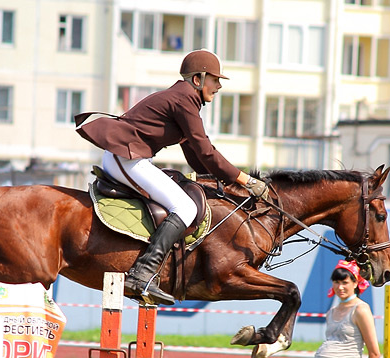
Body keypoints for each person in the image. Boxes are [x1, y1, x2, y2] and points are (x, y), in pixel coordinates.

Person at [75, 49, 269, 306]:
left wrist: (220, 183)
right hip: (126, 158)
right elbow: (206, 151)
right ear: (198, 79)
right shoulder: (184, 99)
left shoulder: (184, 99)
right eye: (215, 79)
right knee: (185, 206)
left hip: (131, 157)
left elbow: (195, 155)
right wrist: (244, 180)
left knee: (183, 198)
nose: (219, 86)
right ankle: (142, 273)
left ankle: (145, 271)